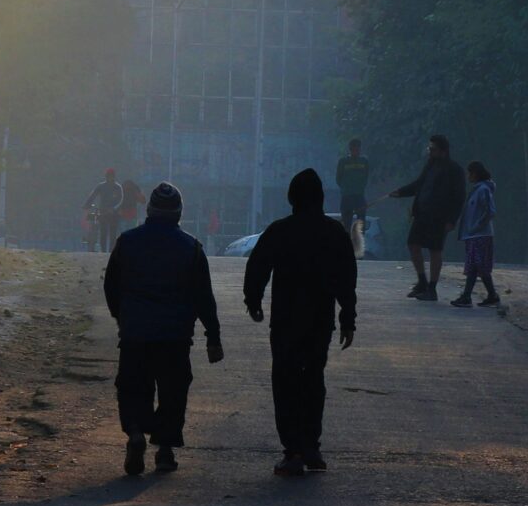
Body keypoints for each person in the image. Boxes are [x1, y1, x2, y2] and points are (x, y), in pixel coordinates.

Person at [243, 168, 358, 476]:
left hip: (285, 319)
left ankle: (293, 450)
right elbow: (347, 279)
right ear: (320, 198)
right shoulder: (334, 233)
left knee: (285, 381)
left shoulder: (280, 230)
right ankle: (312, 446)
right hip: (320, 320)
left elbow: (257, 268)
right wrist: (348, 318)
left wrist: (253, 302)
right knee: (313, 379)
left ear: (292, 198)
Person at [103, 182, 224, 475]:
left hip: (135, 333)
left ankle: (135, 432)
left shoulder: (127, 242)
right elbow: (203, 297)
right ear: (179, 213)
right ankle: (166, 450)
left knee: (133, 387)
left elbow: (111, 286)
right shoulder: (192, 248)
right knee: (173, 392)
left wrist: (122, 317)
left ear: (149, 210)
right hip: (175, 336)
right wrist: (213, 337)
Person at [387, 133, 466, 300]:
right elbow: (418, 185)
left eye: (433, 149)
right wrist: (401, 192)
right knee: (413, 244)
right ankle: (422, 281)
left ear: (443, 151)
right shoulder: (430, 166)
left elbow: (459, 198)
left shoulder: (454, 170)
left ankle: (432, 288)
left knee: (435, 250)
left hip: (439, 217)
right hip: (422, 214)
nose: (430, 152)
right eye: (429, 149)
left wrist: (452, 220)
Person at [451, 161, 499, 307]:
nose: (468, 176)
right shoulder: (479, 189)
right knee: (477, 266)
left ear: (476, 173)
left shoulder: (483, 189)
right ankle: (491, 295)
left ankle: (467, 296)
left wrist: (477, 226)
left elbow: (490, 211)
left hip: (480, 235)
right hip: (474, 235)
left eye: (470, 173)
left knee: (475, 265)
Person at [334, 138, 372, 255]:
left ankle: (360, 251)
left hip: (359, 196)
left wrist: (359, 188)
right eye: (354, 148)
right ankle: (346, 251)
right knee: (346, 224)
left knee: (361, 223)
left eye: (358, 148)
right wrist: (346, 188)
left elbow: (366, 177)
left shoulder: (364, 161)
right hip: (347, 196)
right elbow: (338, 179)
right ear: (350, 149)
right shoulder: (343, 161)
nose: (356, 150)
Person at [84, 168, 124, 252]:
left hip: (114, 213)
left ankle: (111, 251)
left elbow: (121, 200)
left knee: (113, 234)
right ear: (106, 177)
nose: (109, 178)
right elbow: (93, 195)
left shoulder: (117, 187)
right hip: (103, 212)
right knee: (103, 232)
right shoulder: (101, 186)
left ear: (113, 177)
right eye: (108, 176)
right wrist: (86, 204)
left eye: (111, 176)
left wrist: (113, 209)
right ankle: (103, 251)